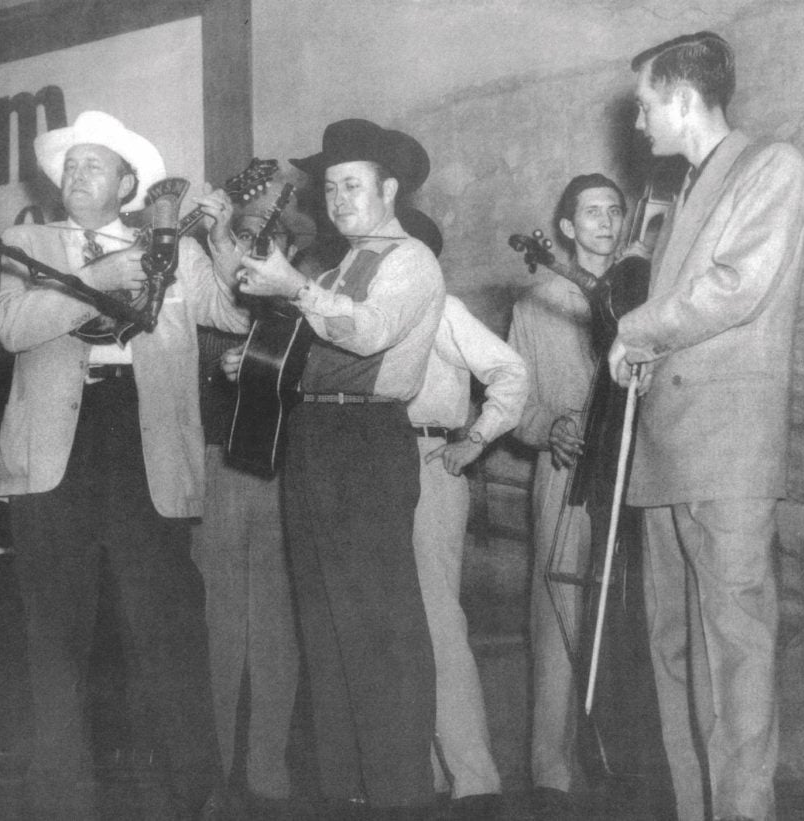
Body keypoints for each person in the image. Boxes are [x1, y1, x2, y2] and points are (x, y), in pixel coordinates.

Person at [0, 110, 247, 820]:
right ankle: (59, 805)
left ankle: (194, 797)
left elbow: (234, 313)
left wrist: (225, 242)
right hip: (55, 456)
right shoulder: (26, 241)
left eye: (93, 165)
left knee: (168, 628)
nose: (76, 175)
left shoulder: (171, 246)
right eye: (70, 166)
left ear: (128, 183)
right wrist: (97, 273)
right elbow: (12, 326)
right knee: (55, 638)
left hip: (145, 444)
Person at [608, 32, 804, 821]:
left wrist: (635, 331)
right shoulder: (680, 191)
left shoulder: (772, 165)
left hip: (726, 451)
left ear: (684, 99)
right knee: (675, 658)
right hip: (667, 448)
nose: (637, 120)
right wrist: (642, 351)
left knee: (735, 661)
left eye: (646, 103)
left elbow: (735, 289)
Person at [222, 119, 445, 816]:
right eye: (330, 186)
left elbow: (370, 330)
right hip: (315, 435)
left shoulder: (410, 260)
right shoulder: (337, 264)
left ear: (390, 189)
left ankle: (401, 795)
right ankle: (349, 791)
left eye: (353, 184)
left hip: (365, 440)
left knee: (378, 623)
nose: (339, 197)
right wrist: (260, 365)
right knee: (323, 621)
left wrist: (294, 287)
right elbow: (319, 348)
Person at [399, 206, 529, 817]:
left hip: (430, 464)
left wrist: (475, 439)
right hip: (376, 467)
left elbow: (509, 371)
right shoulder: (374, 314)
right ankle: (425, 773)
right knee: (403, 624)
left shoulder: (444, 310)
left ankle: (475, 779)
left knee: (436, 619)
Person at [190, 186, 311, 818]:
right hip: (215, 464)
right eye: (247, 238)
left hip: (281, 469)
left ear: (290, 251)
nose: (259, 251)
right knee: (217, 625)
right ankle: (214, 769)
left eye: (274, 242)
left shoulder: (298, 303)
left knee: (275, 629)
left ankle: (268, 771)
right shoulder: (207, 295)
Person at [507, 174, 626, 817]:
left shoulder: (641, 300)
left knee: (626, 618)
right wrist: (550, 425)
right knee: (556, 618)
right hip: (566, 473)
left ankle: (620, 756)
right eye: (591, 212)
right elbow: (514, 400)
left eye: (614, 211)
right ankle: (551, 772)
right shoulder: (536, 305)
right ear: (568, 229)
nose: (604, 222)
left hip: (631, 476)